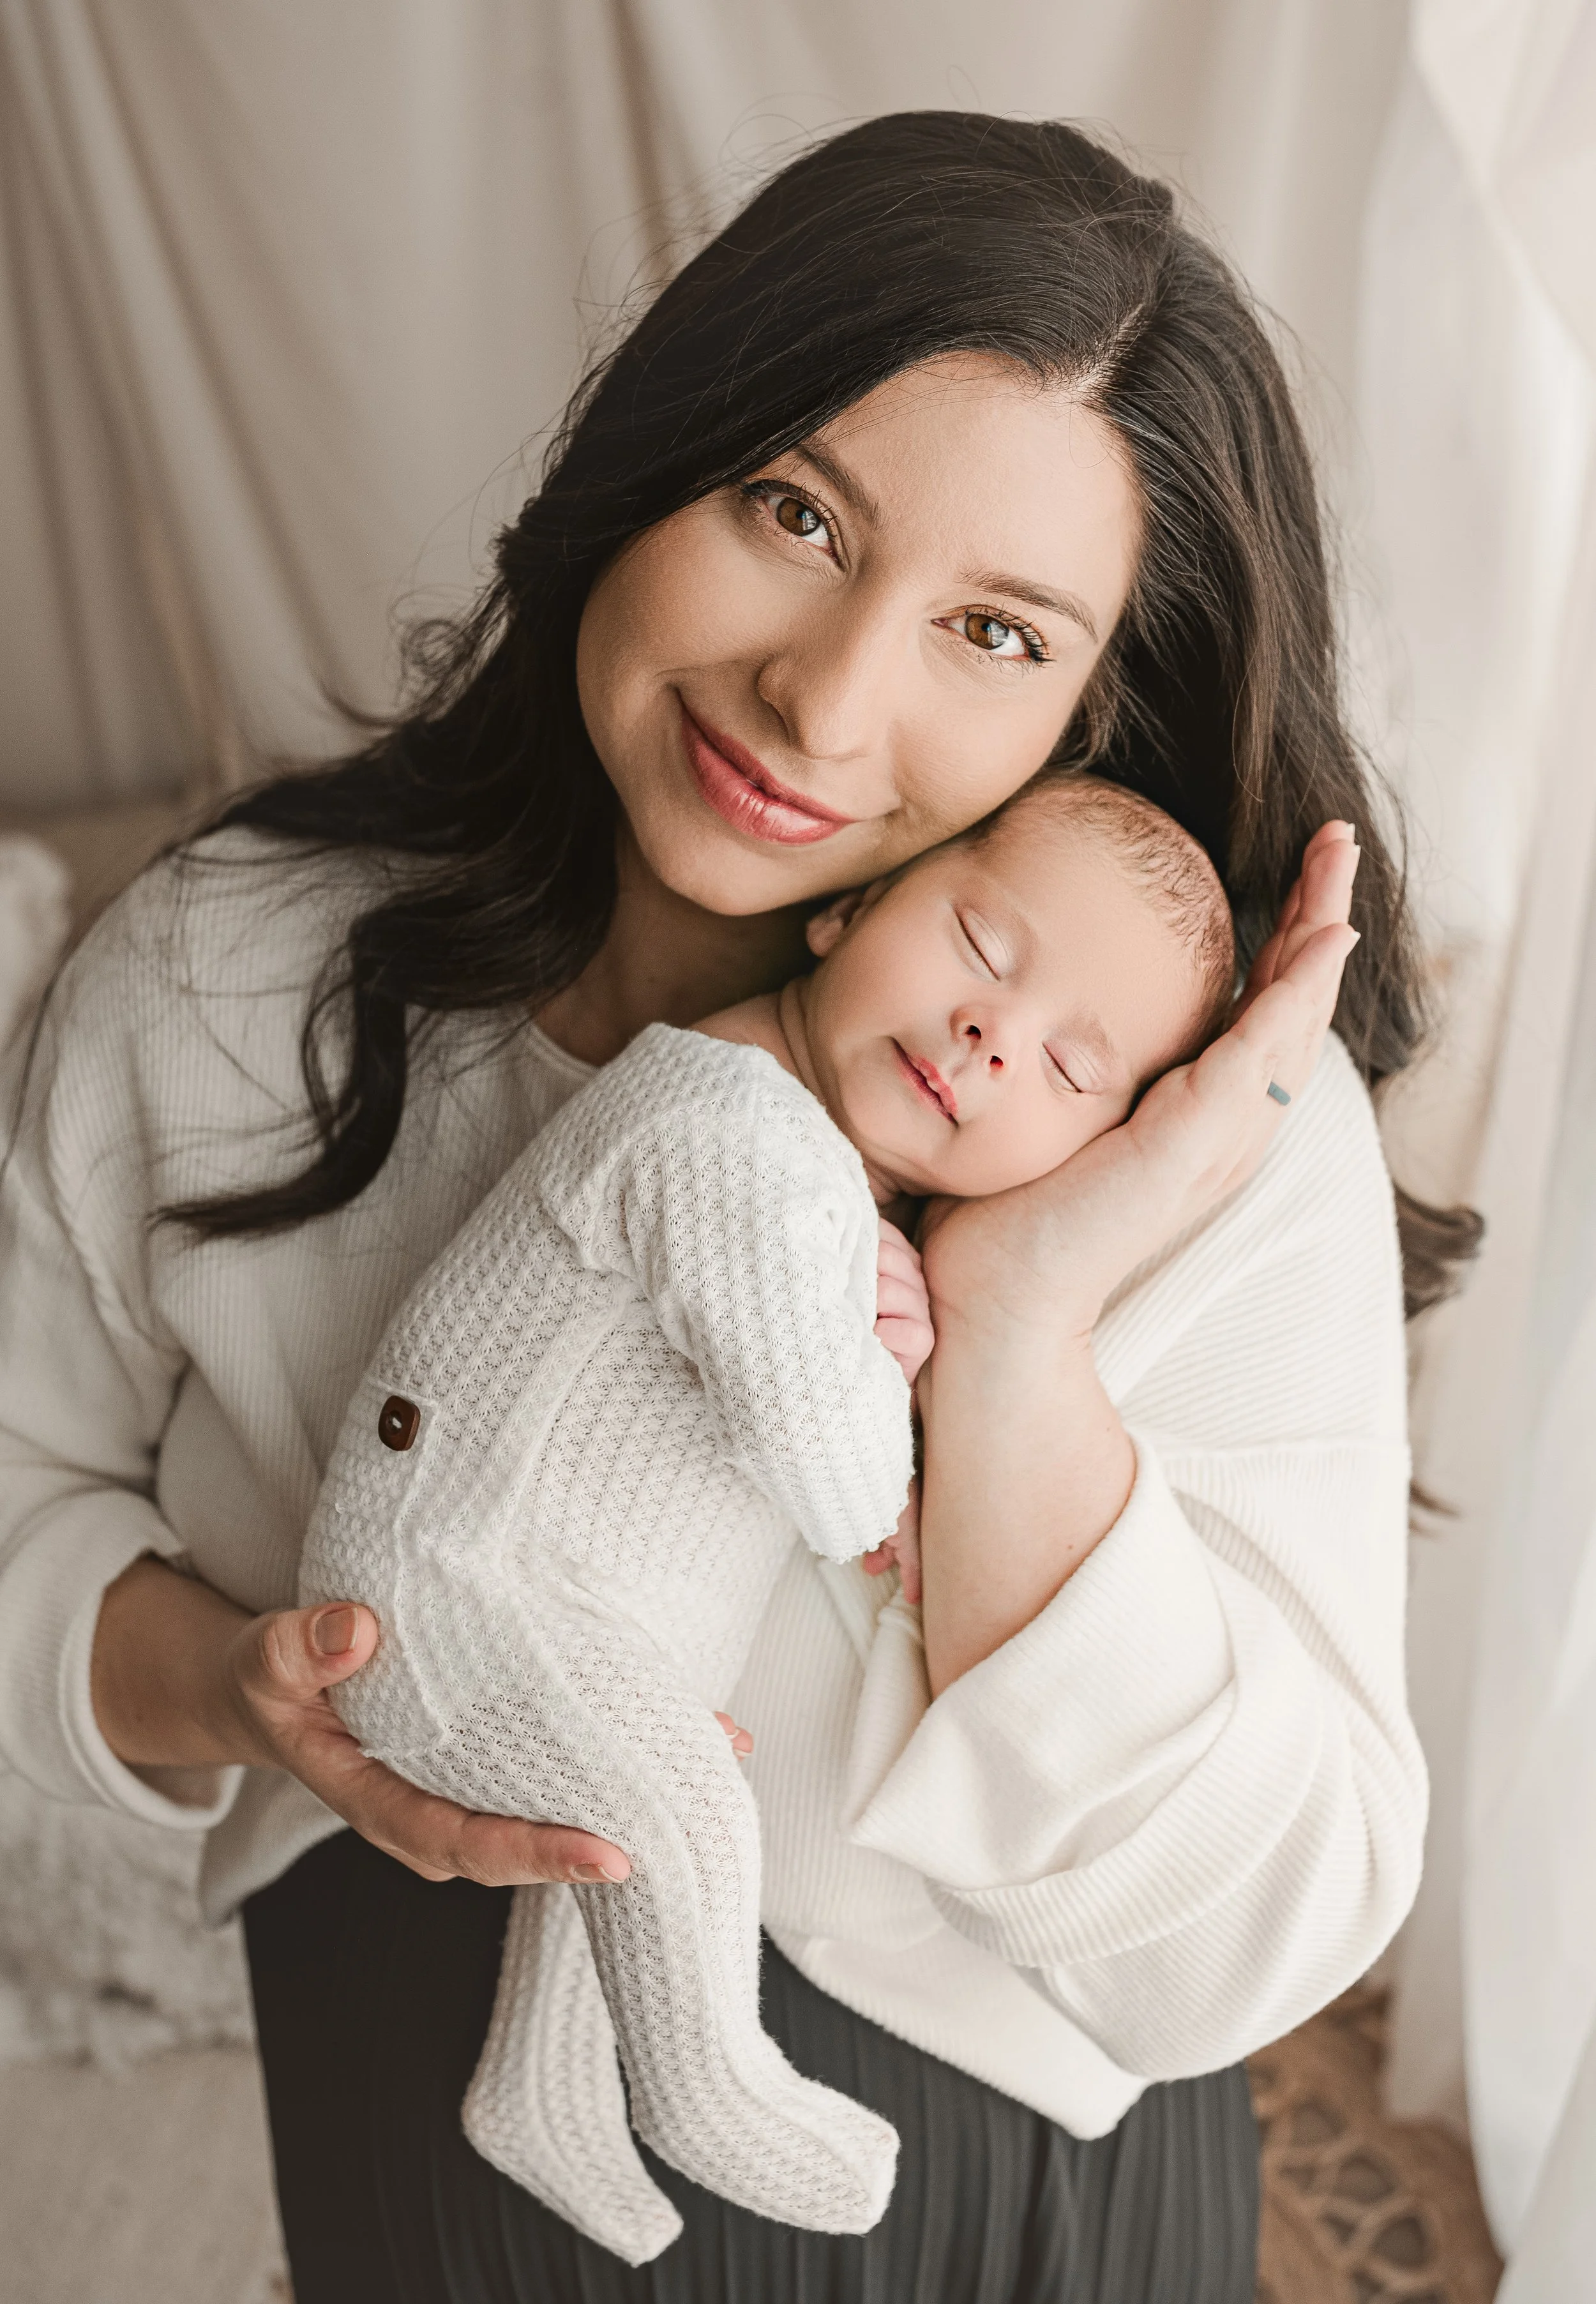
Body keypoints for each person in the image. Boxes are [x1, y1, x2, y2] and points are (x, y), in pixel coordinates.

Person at [0, 113, 1467, 2304]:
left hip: (1021, 2182)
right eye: (794, 510)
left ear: (1090, 703)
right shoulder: (236, 974)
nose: (827, 695)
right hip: (437, 2094)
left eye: (991, 628)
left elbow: (1240, 1948)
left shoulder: (1189, 1120)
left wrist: (1031, 1317)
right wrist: (231, 1684)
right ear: (649, 455)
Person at [301, 774, 1238, 2265]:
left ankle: (542, 2087)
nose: (995, 1036)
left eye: (1069, 1065)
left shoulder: (806, 1168)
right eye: (982, 949)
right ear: (847, 905)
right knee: (677, 1803)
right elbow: (838, 1482)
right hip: (463, 1598)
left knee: (611, 1819)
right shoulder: (739, 1135)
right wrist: (906, 1362)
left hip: (530, 1605)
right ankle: (703, 2080)